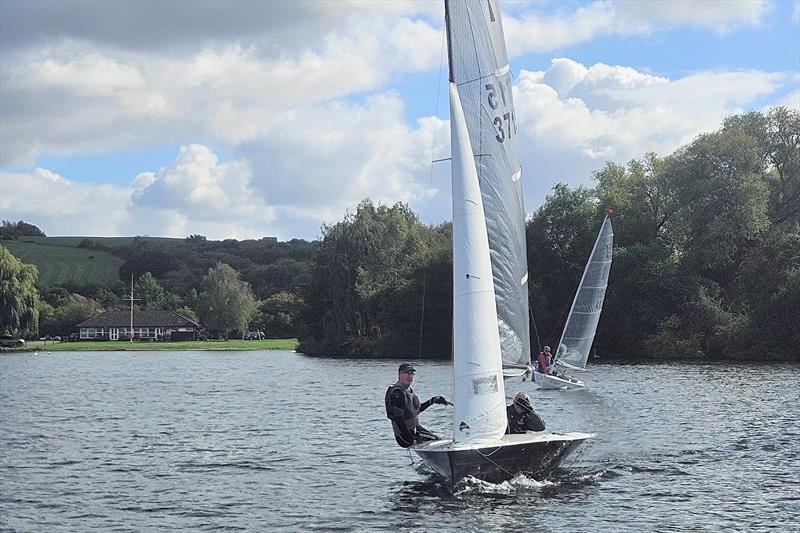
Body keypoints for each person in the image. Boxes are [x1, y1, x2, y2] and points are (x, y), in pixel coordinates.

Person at [384, 362, 449, 448]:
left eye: (412, 373)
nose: (409, 376)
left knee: (441, 441)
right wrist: (410, 438)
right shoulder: (397, 392)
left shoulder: (408, 390)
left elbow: (414, 411)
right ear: (399, 374)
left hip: (415, 429)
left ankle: (430, 460)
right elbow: (398, 418)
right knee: (439, 443)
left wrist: (432, 401)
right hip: (404, 435)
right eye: (406, 373)